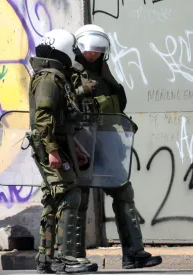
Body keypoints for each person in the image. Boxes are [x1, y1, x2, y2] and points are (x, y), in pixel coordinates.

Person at [73, 23, 162, 270]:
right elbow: (65, 107)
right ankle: (74, 257)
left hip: (108, 143)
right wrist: (80, 91)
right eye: (90, 50)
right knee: (77, 200)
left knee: (123, 193)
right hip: (82, 145)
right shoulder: (71, 72)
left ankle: (133, 253)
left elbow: (117, 104)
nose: (94, 54)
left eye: (98, 50)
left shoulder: (104, 71)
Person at [28, 29, 95, 274]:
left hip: (55, 144)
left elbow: (62, 119)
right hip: (50, 147)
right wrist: (54, 152)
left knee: (53, 197)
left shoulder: (54, 76)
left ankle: (46, 259)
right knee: (70, 193)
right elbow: (44, 118)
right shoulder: (49, 78)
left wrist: (73, 149)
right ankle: (66, 257)